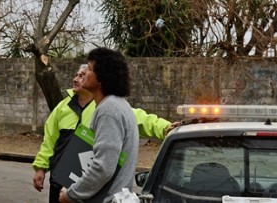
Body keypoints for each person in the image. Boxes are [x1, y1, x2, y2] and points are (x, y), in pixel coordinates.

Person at [32, 65, 175, 202]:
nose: (75, 79)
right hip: (59, 180)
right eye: (76, 75)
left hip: (84, 184)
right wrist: (41, 168)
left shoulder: (106, 108)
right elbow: (50, 140)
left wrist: (165, 128)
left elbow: (141, 119)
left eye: (82, 75)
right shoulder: (62, 107)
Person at [60, 47, 139, 203]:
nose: (85, 73)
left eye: (89, 69)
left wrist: (70, 195)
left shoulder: (109, 110)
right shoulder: (117, 105)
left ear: (101, 77)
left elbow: (103, 168)